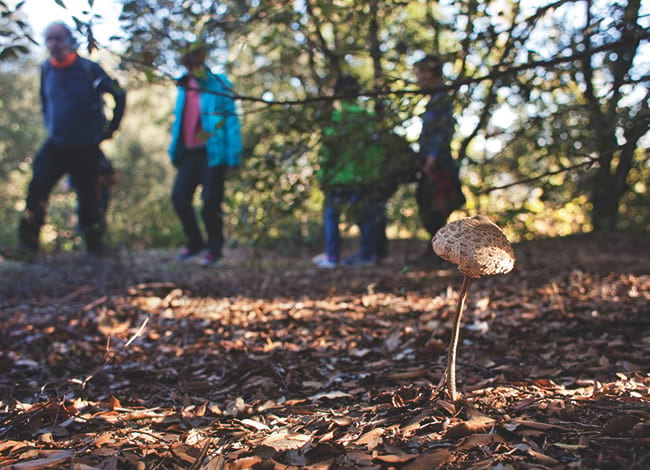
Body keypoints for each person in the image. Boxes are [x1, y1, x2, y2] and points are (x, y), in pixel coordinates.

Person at [17, 22, 126, 258]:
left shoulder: (89, 69)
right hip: (56, 143)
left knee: (90, 198)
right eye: (49, 39)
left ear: (70, 41)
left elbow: (119, 93)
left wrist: (110, 130)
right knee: (37, 189)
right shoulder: (46, 69)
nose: (53, 44)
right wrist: (51, 126)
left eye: (58, 38)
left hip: (86, 146)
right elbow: (45, 102)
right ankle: (27, 248)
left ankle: (96, 248)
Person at [169, 44, 242, 267]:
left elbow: (230, 118)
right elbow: (179, 122)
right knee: (179, 198)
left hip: (213, 152)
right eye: (189, 64)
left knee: (211, 202)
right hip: (189, 153)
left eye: (196, 62)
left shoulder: (218, 84)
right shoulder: (183, 87)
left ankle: (214, 249)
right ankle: (195, 242)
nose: (192, 68)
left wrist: (234, 153)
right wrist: (174, 149)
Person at [312, 76, 385, 269]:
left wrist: (323, 176)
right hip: (363, 177)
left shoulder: (337, 119)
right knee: (366, 216)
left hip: (338, 178)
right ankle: (367, 255)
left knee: (331, 215)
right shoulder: (366, 119)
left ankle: (332, 256)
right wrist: (373, 174)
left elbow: (327, 152)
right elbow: (375, 152)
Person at [413, 55, 465, 254]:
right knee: (427, 205)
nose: (418, 80)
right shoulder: (433, 101)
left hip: (438, 164)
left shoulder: (441, 101)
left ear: (429, 73)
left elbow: (443, 132)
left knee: (436, 205)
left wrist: (433, 159)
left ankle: (440, 251)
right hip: (431, 161)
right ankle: (437, 249)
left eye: (420, 75)